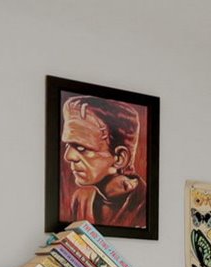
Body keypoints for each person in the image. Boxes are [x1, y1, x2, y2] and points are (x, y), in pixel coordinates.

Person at [59, 94, 147, 229]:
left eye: (82, 147)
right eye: (68, 145)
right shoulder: (80, 200)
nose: (69, 156)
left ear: (119, 158)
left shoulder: (144, 204)